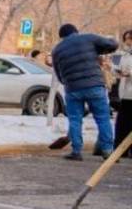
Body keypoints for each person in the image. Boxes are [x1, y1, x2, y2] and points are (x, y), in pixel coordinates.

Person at [51, 24, 117, 160]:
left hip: (72, 89)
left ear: (61, 37)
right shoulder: (88, 38)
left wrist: (68, 82)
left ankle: (76, 151)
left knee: (75, 120)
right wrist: (105, 48)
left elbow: (58, 73)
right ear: (76, 31)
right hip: (94, 86)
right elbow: (112, 45)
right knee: (102, 118)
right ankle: (107, 151)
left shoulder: (56, 50)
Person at [113, 29, 132, 158]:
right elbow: (116, 68)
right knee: (122, 122)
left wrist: (128, 73)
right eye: (126, 39)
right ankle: (121, 150)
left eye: (130, 38)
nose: (127, 41)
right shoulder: (123, 54)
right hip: (125, 93)